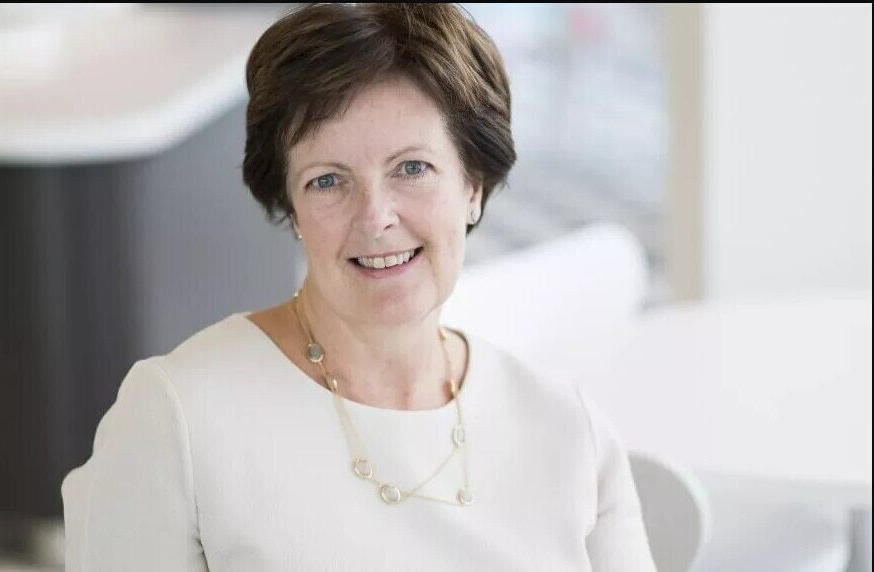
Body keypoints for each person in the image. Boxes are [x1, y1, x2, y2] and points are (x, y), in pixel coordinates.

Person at [61, 4, 656, 570]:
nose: (375, 218)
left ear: (472, 185)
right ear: (290, 207)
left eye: (412, 168)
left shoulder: (569, 434)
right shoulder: (178, 418)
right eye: (327, 181)